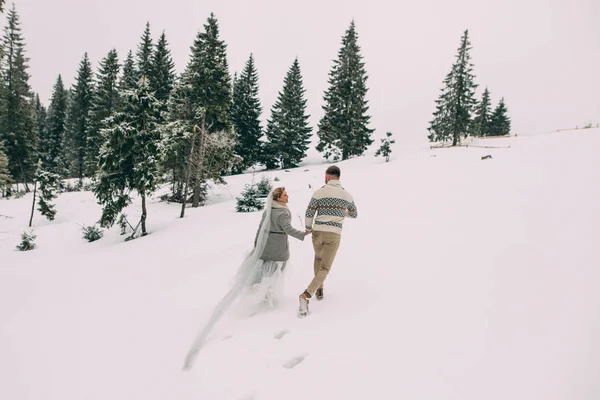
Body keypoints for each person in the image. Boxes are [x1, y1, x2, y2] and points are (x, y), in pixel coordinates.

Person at [299, 165, 358, 316]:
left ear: (328, 177)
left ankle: (319, 288)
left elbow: (309, 211)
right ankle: (307, 295)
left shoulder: (319, 192)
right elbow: (354, 214)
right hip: (334, 234)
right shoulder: (347, 195)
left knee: (318, 258)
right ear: (338, 177)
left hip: (317, 232)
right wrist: (340, 213)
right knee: (325, 267)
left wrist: (308, 227)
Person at [253, 187, 310, 304]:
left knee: (266, 271)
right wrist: (303, 234)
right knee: (277, 272)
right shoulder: (283, 213)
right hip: (278, 247)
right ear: (278, 198)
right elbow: (288, 229)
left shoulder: (268, 210)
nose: (287, 197)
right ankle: (269, 296)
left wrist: (256, 243)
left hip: (266, 245)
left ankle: (264, 294)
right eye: (285, 195)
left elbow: (260, 227)